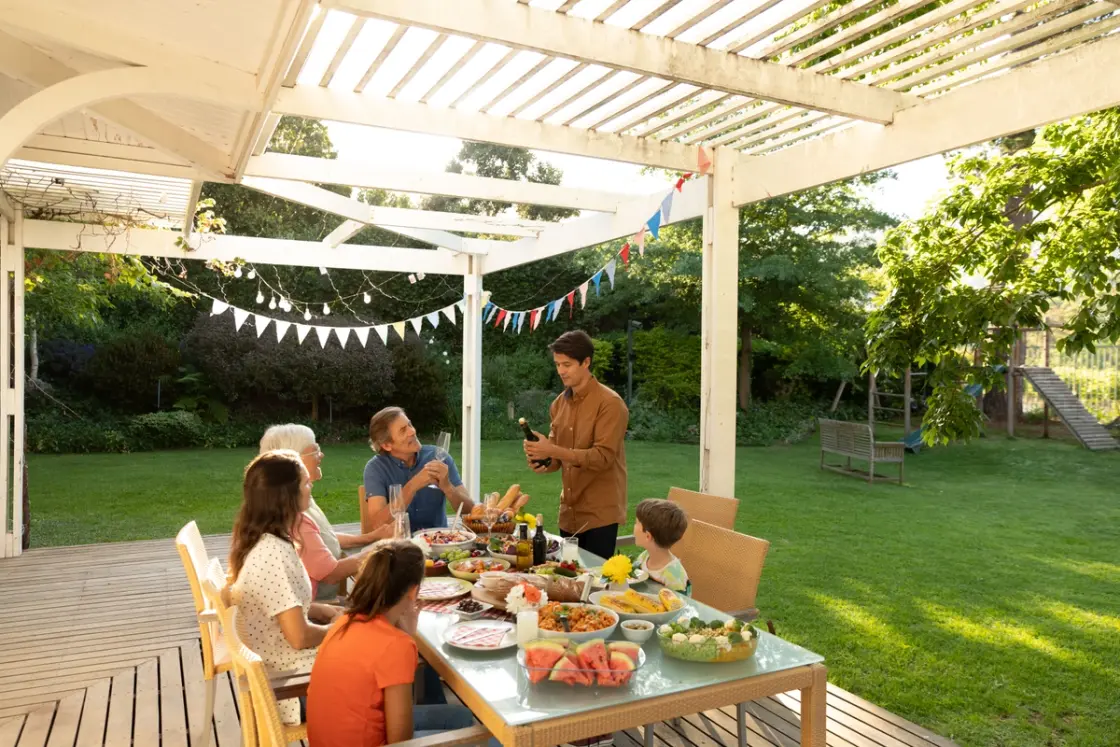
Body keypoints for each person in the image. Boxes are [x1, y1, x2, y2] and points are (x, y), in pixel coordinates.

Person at [307, 540, 499, 747]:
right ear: (413, 591)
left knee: (460, 716)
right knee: (494, 732)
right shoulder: (395, 646)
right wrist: (405, 640)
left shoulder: (344, 621)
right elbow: (401, 741)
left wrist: (406, 635)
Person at [229, 449, 343, 724]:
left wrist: (325, 611)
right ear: (286, 496)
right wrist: (337, 629)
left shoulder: (265, 540)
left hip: (285, 669)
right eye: (305, 482)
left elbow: (286, 606)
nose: (310, 485)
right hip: (292, 690)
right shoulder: (273, 555)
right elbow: (299, 637)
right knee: (388, 654)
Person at [523, 330, 628, 561]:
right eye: (558, 364)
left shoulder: (610, 404)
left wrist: (552, 450)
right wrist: (542, 459)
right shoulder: (558, 404)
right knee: (567, 581)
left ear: (586, 362)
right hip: (568, 513)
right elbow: (558, 460)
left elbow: (602, 458)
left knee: (595, 586)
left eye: (567, 364)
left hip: (600, 514)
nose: (561, 371)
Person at [260, 424, 393, 601]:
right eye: (315, 450)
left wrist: (373, 536)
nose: (321, 455)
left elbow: (320, 538)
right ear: (293, 460)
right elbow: (331, 573)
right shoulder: (293, 515)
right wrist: (385, 547)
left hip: (316, 605)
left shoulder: (292, 502)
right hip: (319, 608)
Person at [363, 407, 474, 533]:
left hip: (440, 542)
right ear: (387, 445)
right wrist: (414, 485)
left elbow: (470, 513)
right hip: (400, 544)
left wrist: (448, 487)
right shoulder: (375, 468)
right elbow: (378, 523)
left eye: (409, 424)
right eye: (403, 430)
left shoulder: (438, 457)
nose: (412, 431)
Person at [632, 499, 691, 594]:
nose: (633, 526)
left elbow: (678, 606)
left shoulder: (674, 577)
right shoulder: (644, 557)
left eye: (636, 523)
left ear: (648, 536)